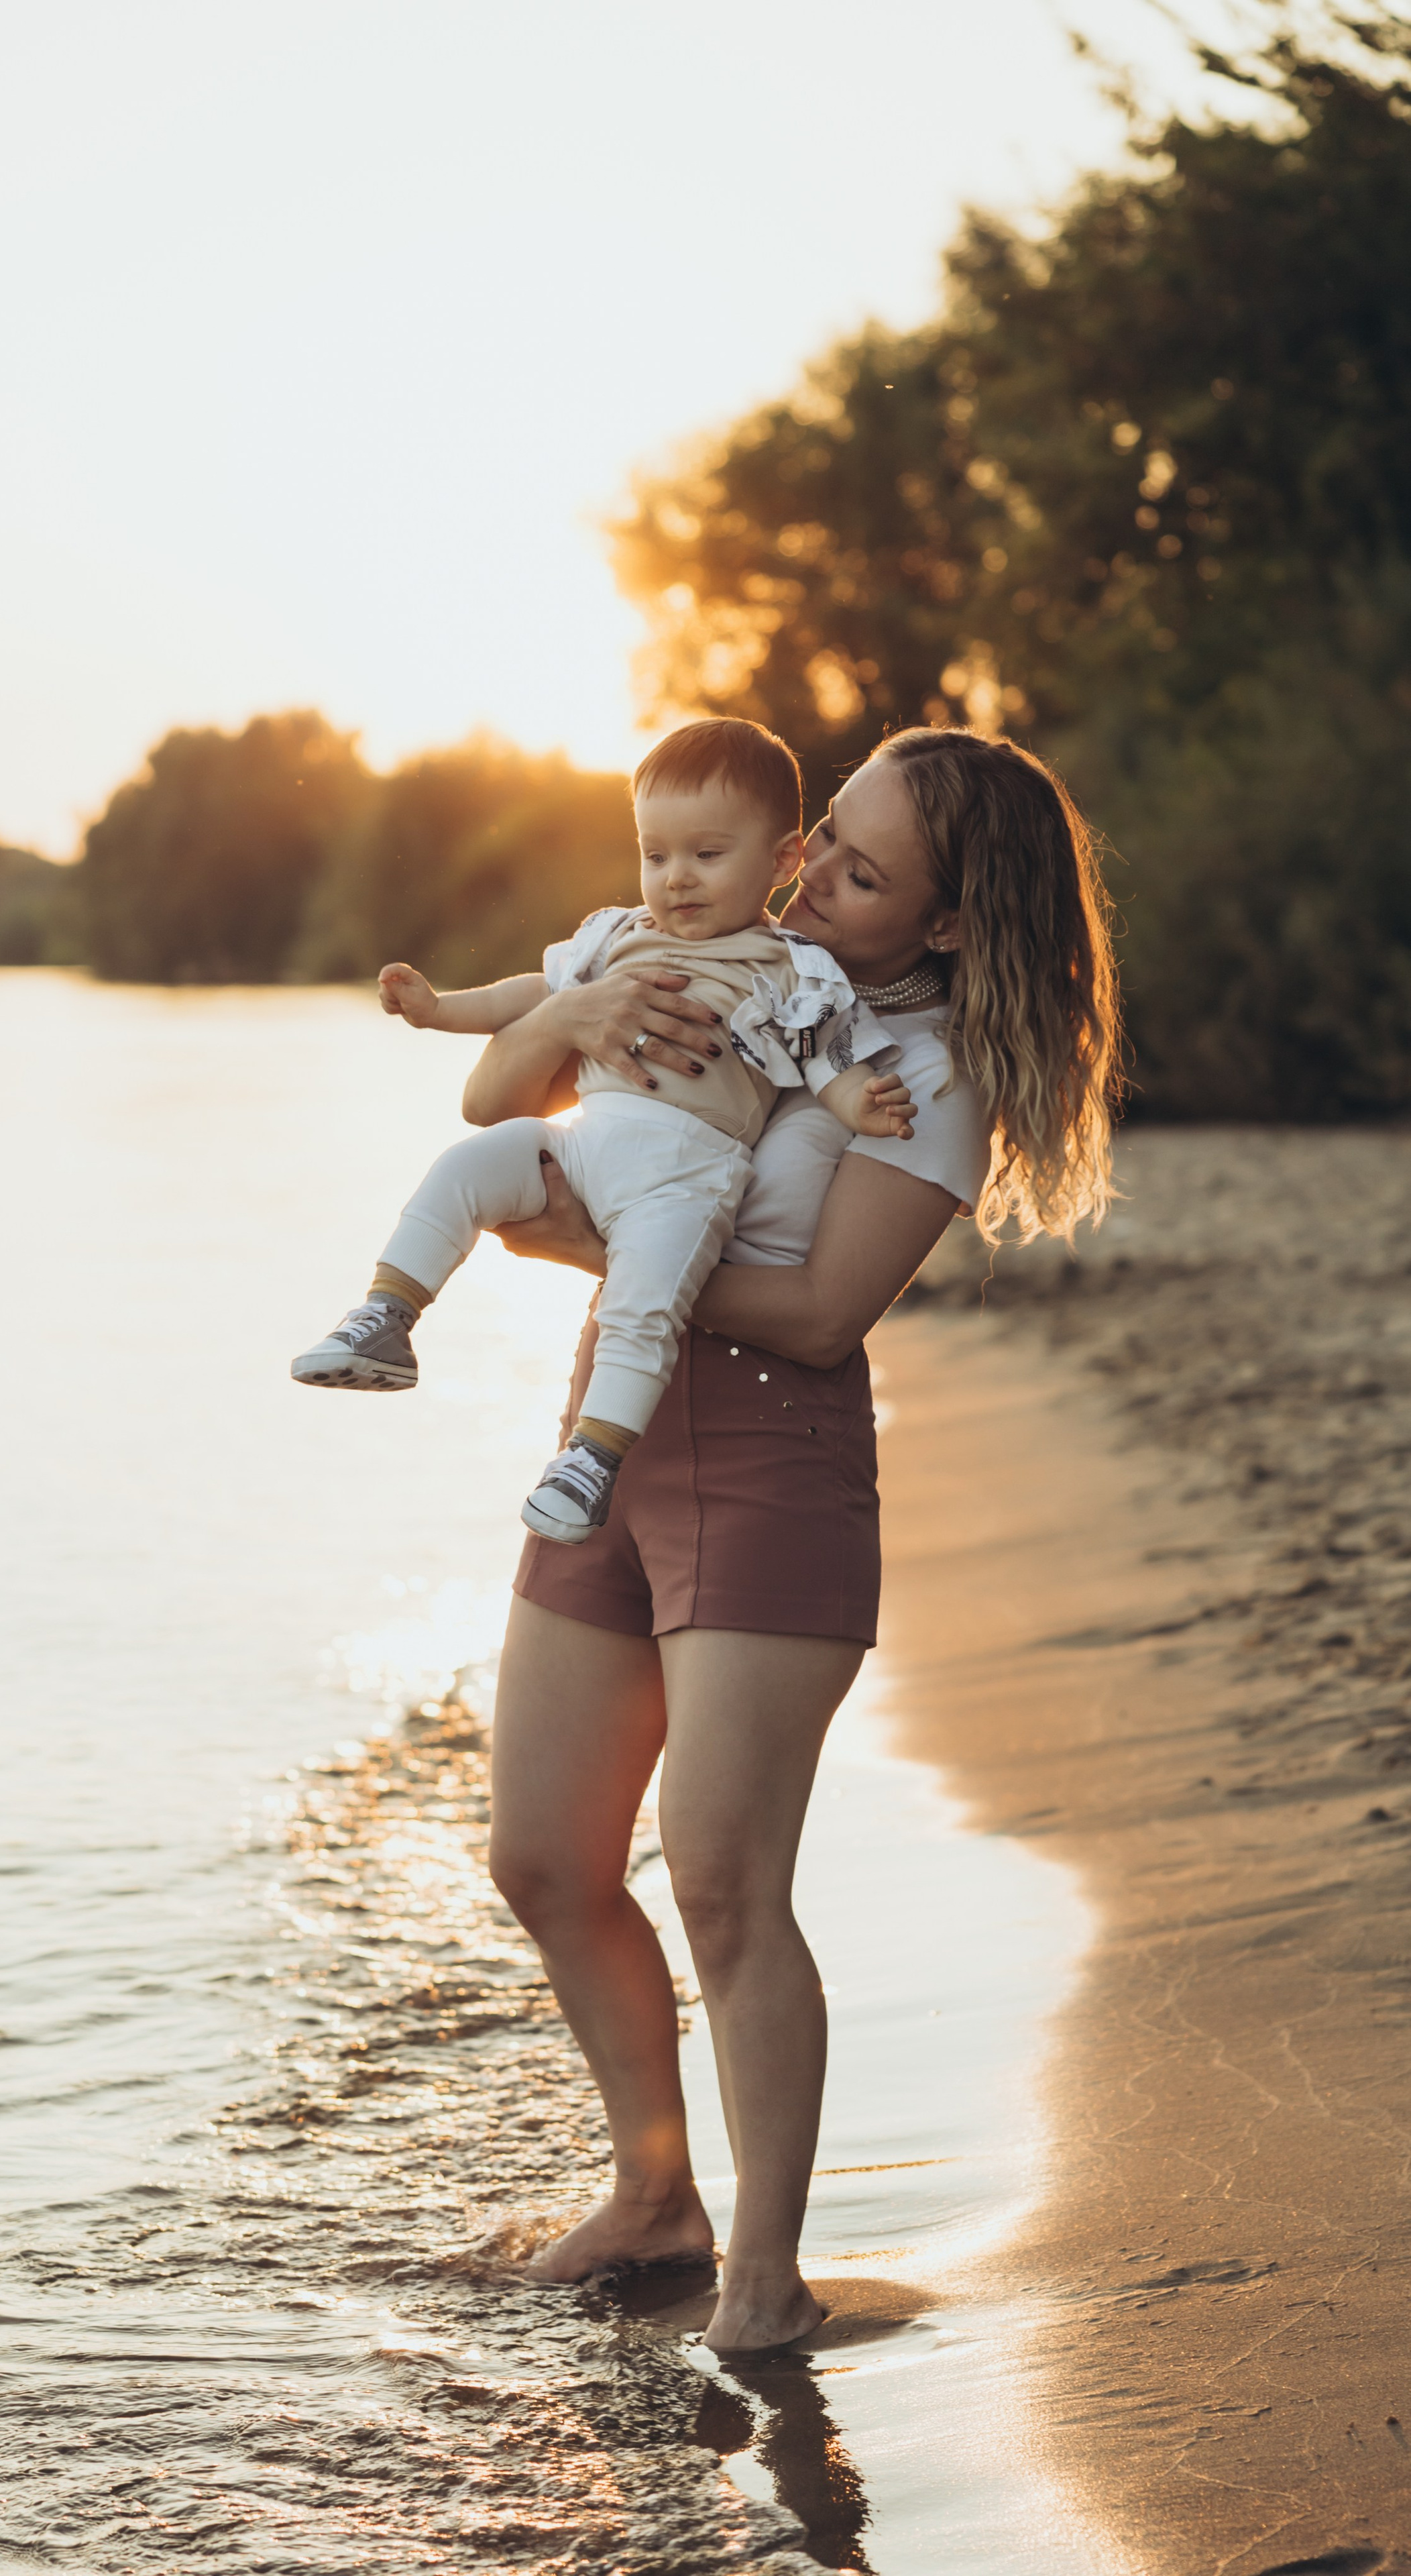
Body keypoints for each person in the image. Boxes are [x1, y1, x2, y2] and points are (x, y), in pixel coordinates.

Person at [463, 724, 1121, 2353]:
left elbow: (824, 1313)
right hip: (610, 1442)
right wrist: (566, 1015)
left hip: (770, 1469)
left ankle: (763, 2272)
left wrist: (590, 1253)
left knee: (721, 1881)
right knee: (540, 1855)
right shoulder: (714, 961)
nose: (811, 874)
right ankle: (651, 2194)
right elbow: (519, 1102)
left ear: (945, 923)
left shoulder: (930, 1078)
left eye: (861, 871)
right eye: (823, 834)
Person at [290, 722, 914, 1543]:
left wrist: (859, 1105)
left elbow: (827, 1058)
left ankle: (591, 1457)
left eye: (706, 854)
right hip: (582, 1142)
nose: (676, 877)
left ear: (781, 860)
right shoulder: (620, 935)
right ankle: (387, 1314)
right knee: (466, 1166)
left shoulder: (790, 968)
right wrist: (440, 1011)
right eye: (655, 855)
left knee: (641, 1305)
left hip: (686, 1177)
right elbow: (529, 995)